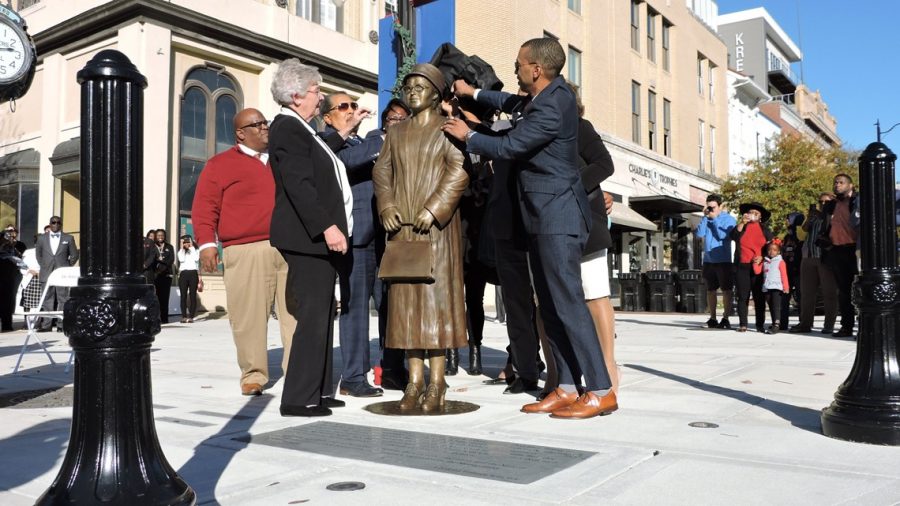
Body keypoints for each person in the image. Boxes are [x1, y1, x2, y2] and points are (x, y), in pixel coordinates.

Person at [443, 37, 616, 419]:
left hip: (558, 217)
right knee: (551, 306)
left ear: (536, 69)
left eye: (520, 63)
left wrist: (468, 136)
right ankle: (568, 386)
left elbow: (510, 146)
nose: (516, 68)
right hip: (539, 217)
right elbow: (508, 103)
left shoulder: (554, 104)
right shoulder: (541, 97)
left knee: (569, 303)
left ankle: (601, 390)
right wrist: (474, 92)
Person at [373, 63, 469, 412]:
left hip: (437, 231)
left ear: (436, 94)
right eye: (409, 86)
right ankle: (414, 381)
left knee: (435, 306)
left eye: (421, 86)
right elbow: (381, 171)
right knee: (406, 308)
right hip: (402, 230)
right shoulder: (396, 133)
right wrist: (386, 205)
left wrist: (434, 208)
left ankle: (438, 381)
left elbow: (459, 171)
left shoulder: (447, 130)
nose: (413, 91)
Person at [192, 107, 298, 397]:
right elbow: (204, 208)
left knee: (296, 314)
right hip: (245, 249)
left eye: (266, 123)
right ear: (241, 133)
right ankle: (253, 374)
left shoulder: (282, 159)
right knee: (248, 316)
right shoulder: (219, 165)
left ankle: (298, 370)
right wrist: (207, 245)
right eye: (258, 124)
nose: (266, 128)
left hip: (290, 247)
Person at [269, 58, 353, 417]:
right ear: (296, 94)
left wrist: (344, 132)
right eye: (317, 91)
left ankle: (318, 391)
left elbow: (319, 163)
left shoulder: (304, 130)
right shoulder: (288, 128)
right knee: (313, 317)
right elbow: (300, 185)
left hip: (314, 239)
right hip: (308, 240)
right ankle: (299, 397)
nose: (321, 98)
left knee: (322, 315)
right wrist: (327, 227)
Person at [317, 91, 385, 398]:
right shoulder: (326, 142)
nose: (351, 110)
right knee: (356, 308)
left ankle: (391, 369)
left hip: (383, 234)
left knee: (388, 306)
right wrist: (381, 137)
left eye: (353, 105)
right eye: (343, 106)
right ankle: (354, 376)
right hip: (357, 237)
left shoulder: (362, 141)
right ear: (327, 117)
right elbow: (346, 162)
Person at [571, 82, 619, 395]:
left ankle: (609, 367)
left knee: (596, 294)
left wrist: (572, 186)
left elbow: (604, 164)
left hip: (587, 222)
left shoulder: (580, 128)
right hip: (552, 225)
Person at [790, 193, 837, 334]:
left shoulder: (835, 215)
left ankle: (829, 325)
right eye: (820, 202)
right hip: (808, 256)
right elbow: (804, 230)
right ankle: (805, 323)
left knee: (829, 293)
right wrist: (810, 217)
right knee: (807, 293)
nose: (823, 204)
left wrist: (826, 215)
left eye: (826, 202)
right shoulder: (815, 216)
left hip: (825, 257)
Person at [821, 174, 859, 338]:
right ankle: (846, 326)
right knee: (843, 292)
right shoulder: (831, 205)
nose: (837, 185)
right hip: (837, 250)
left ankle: (864, 326)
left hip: (855, 250)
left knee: (861, 290)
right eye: (835, 182)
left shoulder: (857, 202)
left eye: (841, 182)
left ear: (851, 186)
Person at [694, 194, 736, 329]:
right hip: (708, 260)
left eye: (713, 207)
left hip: (723, 259)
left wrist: (715, 220)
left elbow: (724, 236)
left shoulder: (728, 219)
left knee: (726, 290)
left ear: (720, 206)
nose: (711, 210)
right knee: (710, 290)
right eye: (709, 207)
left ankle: (725, 318)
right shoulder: (706, 218)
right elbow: (699, 234)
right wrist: (705, 218)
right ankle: (712, 318)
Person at [731, 203, 773, 333]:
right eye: (751, 212)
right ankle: (743, 324)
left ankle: (760, 324)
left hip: (758, 266)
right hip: (742, 265)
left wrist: (763, 256)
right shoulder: (742, 227)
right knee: (742, 296)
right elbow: (733, 236)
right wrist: (742, 223)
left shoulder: (765, 230)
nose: (753, 215)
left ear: (760, 217)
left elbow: (773, 247)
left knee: (759, 296)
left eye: (756, 213)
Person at [35, 216, 79, 331]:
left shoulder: (68, 238)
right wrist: (44, 265)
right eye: (53, 223)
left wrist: (67, 267)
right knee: (46, 299)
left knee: (63, 299)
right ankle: (46, 325)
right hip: (46, 272)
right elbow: (38, 255)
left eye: (58, 223)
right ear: (49, 224)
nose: (55, 225)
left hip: (62, 275)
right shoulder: (41, 238)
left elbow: (74, 255)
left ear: (61, 224)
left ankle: (61, 325)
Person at [757, 240, 789, 334]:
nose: (772, 251)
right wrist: (756, 262)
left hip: (777, 287)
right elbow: (758, 271)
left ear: (778, 251)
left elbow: (784, 275)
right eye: (770, 249)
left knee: (776, 306)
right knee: (771, 306)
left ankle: (776, 324)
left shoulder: (780, 261)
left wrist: (786, 287)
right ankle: (774, 321)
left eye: (774, 250)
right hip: (767, 287)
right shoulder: (765, 261)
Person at [780, 212, 804, 329]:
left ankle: (803, 321)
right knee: (784, 298)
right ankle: (783, 323)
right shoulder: (787, 237)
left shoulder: (801, 236)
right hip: (787, 271)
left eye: (788, 220)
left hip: (798, 271)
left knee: (800, 297)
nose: (786, 222)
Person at [0, 230, 25, 332]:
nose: (9, 239)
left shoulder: (13, 247)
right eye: (6, 237)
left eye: (10, 237)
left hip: (9, 277)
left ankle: (7, 325)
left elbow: (19, 258)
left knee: (8, 302)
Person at [152, 229, 175, 324]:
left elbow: (171, 259)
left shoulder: (169, 247)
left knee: (165, 298)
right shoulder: (153, 246)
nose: (160, 237)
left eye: (162, 235)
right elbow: (151, 259)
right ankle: (156, 319)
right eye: (158, 235)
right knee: (155, 297)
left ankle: (164, 319)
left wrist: (162, 268)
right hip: (155, 275)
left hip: (166, 275)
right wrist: (157, 269)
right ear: (156, 236)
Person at [176, 235, 201, 323]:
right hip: (183, 274)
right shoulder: (180, 251)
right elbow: (181, 259)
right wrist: (183, 248)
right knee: (183, 295)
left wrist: (192, 247)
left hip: (193, 273)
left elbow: (196, 258)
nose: (186, 243)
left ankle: (191, 316)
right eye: (185, 242)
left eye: (188, 241)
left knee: (192, 295)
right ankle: (183, 316)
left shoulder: (196, 250)